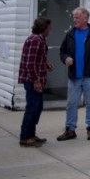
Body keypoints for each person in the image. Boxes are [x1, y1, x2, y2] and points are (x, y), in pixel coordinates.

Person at [57, 6, 90, 141]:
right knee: (71, 103)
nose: (75, 20)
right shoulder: (70, 34)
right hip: (74, 77)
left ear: (86, 18)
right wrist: (65, 58)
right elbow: (62, 51)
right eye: (74, 17)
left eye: (77, 17)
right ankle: (70, 130)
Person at [18, 17, 54, 147]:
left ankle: (31, 134)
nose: (51, 29)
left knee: (37, 108)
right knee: (32, 108)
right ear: (43, 27)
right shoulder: (35, 40)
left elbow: (36, 60)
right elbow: (30, 64)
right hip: (32, 81)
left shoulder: (40, 40)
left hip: (36, 79)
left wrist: (46, 65)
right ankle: (25, 137)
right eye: (49, 27)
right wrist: (36, 81)